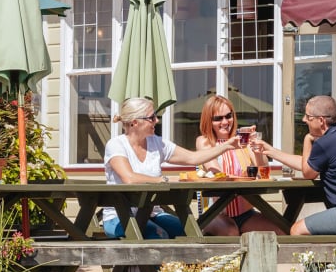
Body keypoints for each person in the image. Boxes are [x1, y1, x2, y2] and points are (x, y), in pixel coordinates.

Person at [101, 96, 241, 240]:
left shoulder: (157, 143)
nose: (157, 120)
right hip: (119, 216)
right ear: (135, 122)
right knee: (159, 236)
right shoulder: (116, 145)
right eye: (151, 117)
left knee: (192, 233)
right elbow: (129, 178)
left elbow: (192, 158)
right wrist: (163, 180)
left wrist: (226, 146)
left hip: (153, 213)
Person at [255, 95, 336, 235]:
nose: (304, 120)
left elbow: (307, 173)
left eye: (308, 117)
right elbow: (307, 164)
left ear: (321, 120)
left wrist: (307, 139)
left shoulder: (325, 143)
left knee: (296, 230)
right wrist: (270, 151)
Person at [195, 95, 285, 236]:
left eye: (228, 116)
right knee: (231, 232)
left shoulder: (243, 141)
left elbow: (264, 172)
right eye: (218, 118)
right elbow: (218, 174)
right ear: (209, 121)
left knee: (281, 230)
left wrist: (256, 147)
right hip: (215, 213)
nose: (225, 122)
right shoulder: (204, 142)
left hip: (245, 214)